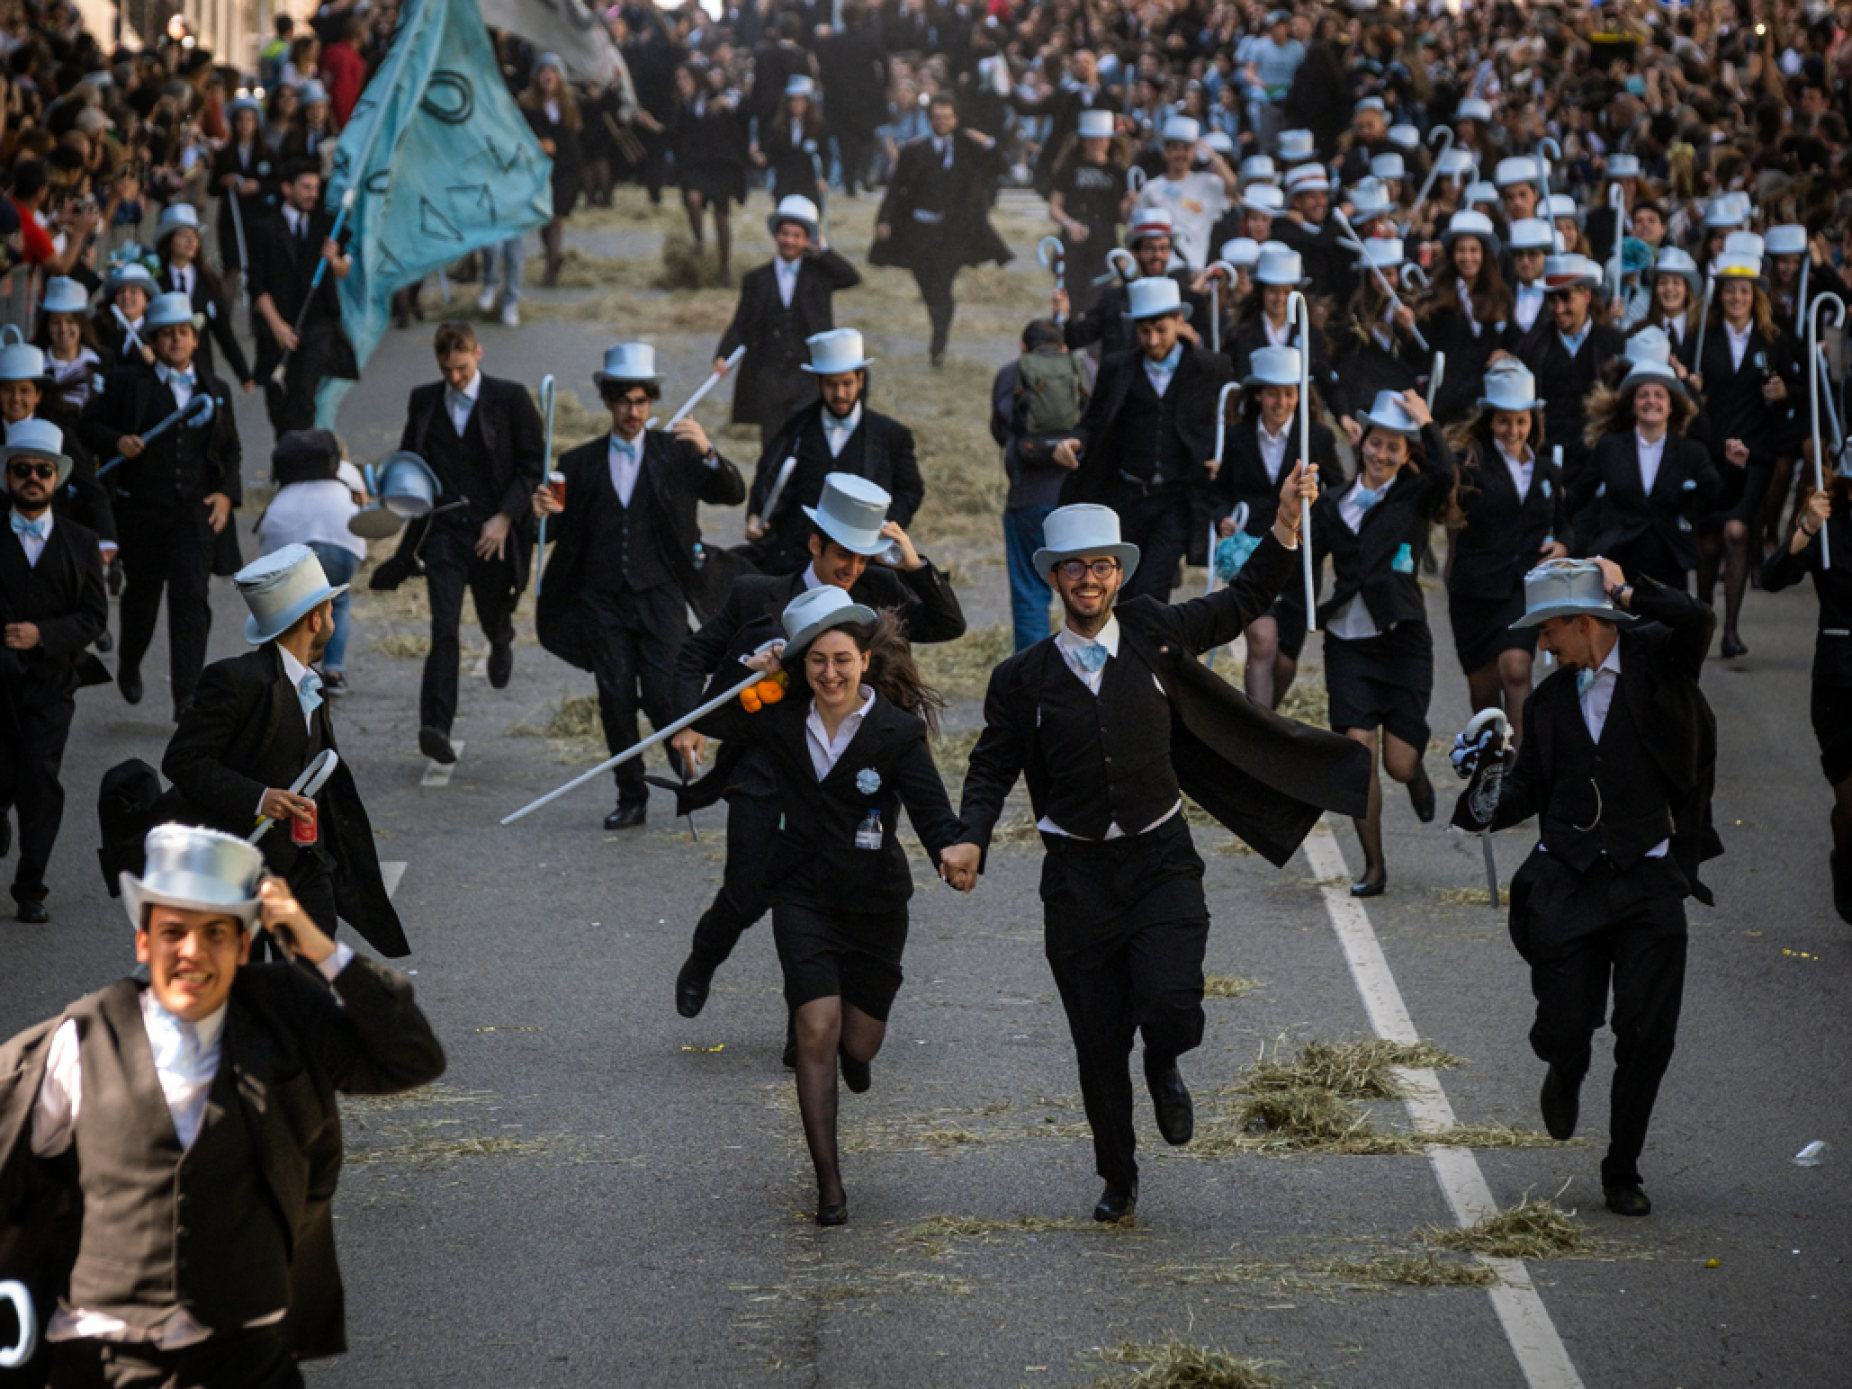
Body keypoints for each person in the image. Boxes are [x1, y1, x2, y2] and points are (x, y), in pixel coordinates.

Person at [942, 485, 1368, 1223]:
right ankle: (1118, 1177)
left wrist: (1286, 529)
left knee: (1172, 1005)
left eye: (1101, 566)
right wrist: (971, 835)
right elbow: (990, 765)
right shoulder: (1022, 678)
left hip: (1161, 860)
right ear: (1054, 578)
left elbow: (1241, 602)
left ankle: (1165, 1057)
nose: (1089, 579)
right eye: (1074, 568)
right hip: (1077, 881)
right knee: (1097, 1042)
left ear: (1118, 574)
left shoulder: (1153, 630)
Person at [0, 825, 443, 1384]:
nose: (192, 952)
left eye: (215, 933)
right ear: (143, 942)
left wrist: (319, 948)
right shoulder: (81, 1040)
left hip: (245, 1354)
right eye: (172, 932)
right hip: (109, 1358)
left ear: (242, 945)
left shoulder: (284, 1009)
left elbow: (411, 1057)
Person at [1451, 558, 1719, 1218]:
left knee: (1646, 1031)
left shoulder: (1660, 662)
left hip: (1648, 874)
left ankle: (1621, 1167)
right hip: (1569, 881)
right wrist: (1483, 785)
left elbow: (1697, 617)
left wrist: (1628, 589)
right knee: (1566, 1023)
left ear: (1583, 621)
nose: (1540, 644)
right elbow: (1525, 791)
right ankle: (1566, 1063)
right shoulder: (1545, 704)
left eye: (1547, 630)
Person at [696, 587, 969, 1226]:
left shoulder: (896, 733)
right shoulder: (779, 714)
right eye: (815, 661)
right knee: (813, 1028)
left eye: (842, 659)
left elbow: (934, 813)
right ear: (802, 665)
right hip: (803, 895)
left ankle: (856, 1057)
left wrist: (954, 853)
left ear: (865, 661)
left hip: (875, 905)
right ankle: (829, 1185)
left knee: (861, 1043)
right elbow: (707, 720)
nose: (830, 673)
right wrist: (751, 676)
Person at [668, 473, 966, 1034]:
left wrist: (914, 568)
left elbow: (948, 624)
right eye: (842, 556)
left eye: (862, 557)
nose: (852, 568)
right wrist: (685, 726)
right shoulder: (756, 594)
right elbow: (693, 656)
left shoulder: (880, 593)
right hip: (766, 768)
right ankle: (706, 955)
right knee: (749, 891)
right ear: (814, 544)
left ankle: (806, 1029)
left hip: (854, 773)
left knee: (822, 895)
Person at [532, 341, 745, 830]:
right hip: (601, 600)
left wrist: (710, 451)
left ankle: (684, 768)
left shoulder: (676, 453)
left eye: (642, 401)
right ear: (608, 401)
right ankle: (631, 795)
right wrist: (538, 510)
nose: (633, 411)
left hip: (661, 595)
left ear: (651, 402)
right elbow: (550, 530)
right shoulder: (580, 462)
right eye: (624, 401)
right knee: (615, 698)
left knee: (667, 693)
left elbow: (733, 493)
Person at [162, 545, 410, 957]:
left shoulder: (310, 683)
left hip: (306, 869)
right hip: (242, 868)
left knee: (311, 980)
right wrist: (260, 798)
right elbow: (182, 760)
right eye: (330, 609)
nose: (332, 616)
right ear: (316, 619)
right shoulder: (235, 680)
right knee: (257, 995)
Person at [1312, 389, 1457, 897]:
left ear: (1405, 453)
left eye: (1395, 448)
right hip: (1347, 642)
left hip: (1401, 642)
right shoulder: (1333, 501)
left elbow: (1445, 475)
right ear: (1362, 443)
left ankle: (1415, 776)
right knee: (1358, 756)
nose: (1382, 455)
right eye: (1377, 444)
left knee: (1396, 762)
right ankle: (1374, 866)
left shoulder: (1414, 496)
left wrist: (1428, 422)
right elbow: (1307, 558)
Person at [382, 321, 545, 765]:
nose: (454, 377)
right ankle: (435, 726)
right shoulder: (423, 400)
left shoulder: (510, 400)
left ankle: (501, 637)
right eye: (446, 369)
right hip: (445, 535)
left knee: (492, 610)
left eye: (461, 367)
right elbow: (411, 462)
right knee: (444, 628)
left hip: (494, 531)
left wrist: (505, 518)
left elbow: (534, 466)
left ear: (478, 354)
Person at [80, 292, 243, 720]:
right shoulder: (128, 383)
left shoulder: (216, 389)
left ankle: (186, 695)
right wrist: (116, 440)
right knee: (143, 598)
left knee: (192, 597)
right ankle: (130, 660)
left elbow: (230, 452)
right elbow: (88, 425)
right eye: (168, 334)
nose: (176, 340)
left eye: (183, 333)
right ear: (154, 340)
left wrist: (226, 493)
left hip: (195, 512)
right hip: (142, 512)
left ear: (194, 340)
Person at [1051, 277, 1235, 604]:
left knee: (1153, 586)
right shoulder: (1118, 368)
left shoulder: (1209, 367)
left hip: (1177, 497)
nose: (1152, 340)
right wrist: (1075, 441)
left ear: (1179, 322)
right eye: (1143, 331)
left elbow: (1228, 422)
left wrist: (1222, 455)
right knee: (1122, 588)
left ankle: (1151, 650)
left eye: (1160, 330)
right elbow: (1093, 421)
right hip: (1126, 496)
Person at [0, 419, 107, 924]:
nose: (32, 478)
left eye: (42, 470)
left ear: (57, 477)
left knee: (40, 781)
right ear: (8, 475)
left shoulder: (82, 543)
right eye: (22, 469)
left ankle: (30, 887)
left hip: (51, 685)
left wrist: (42, 635)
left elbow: (94, 617)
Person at [1213, 345, 1340, 709]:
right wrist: (1222, 518)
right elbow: (1218, 490)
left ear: (1299, 395)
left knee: (1284, 660)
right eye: (1273, 393)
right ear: (1258, 395)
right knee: (1262, 642)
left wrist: (1316, 515)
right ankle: (1260, 738)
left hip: (1301, 561)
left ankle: (1264, 725)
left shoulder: (1317, 437)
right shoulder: (1237, 438)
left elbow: (1338, 492)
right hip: (1250, 555)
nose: (1281, 402)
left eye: (1288, 393)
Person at [1445, 360, 1566, 742]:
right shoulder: (1469, 463)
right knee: (1484, 691)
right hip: (1475, 590)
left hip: (1523, 587)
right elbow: (1442, 499)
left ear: (1532, 420)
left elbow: (1564, 523)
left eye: (1521, 421)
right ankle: (1491, 759)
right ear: (1490, 420)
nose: (1513, 430)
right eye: (1504, 421)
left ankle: (1521, 765)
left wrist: (1564, 544)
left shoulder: (1548, 471)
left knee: (1516, 667)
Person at [1690, 254, 1800, 658]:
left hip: (1755, 452)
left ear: (1755, 296)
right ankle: (1701, 622)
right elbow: (1683, 390)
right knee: (1707, 544)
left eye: (1743, 291)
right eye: (1729, 290)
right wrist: (1691, 387)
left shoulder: (1774, 340)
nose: (1736, 297)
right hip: (1711, 450)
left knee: (1736, 533)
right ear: (1719, 296)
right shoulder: (1703, 336)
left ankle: (1731, 630)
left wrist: (1783, 391)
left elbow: (1799, 385)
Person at [744, 329, 924, 575]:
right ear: (818, 383)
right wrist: (757, 514)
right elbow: (770, 475)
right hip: (799, 560)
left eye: (847, 383)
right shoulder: (797, 426)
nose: (839, 393)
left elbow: (911, 489)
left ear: (861, 380)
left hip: (862, 565)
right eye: (831, 385)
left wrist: (880, 527)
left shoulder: (891, 435)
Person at [1762, 476, 1852, 920]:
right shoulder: (1828, 527)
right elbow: (1773, 578)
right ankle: (1846, 858)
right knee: (1850, 797)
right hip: (1838, 680)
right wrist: (1807, 528)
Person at [870, 92, 1012, 367]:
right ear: (930, 119)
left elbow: (999, 166)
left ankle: (939, 340)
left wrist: (988, 142)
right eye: (937, 117)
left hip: (952, 233)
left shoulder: (968, 148)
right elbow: (896, 189)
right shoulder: (914, 150)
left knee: (943, 286)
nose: (942, 122)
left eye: (947, 117)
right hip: (919, 230)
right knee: (926, 285)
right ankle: (937, 318)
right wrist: (883, 220)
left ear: (955, 119)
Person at [714, 195, 861, 450]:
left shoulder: (819, 274)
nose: (789, 241)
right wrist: (722, 356)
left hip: (808, 375)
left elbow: (851, 277)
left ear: (807, 240)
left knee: (807, 441)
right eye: (784, 234)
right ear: (775, 236)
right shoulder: (756, 280)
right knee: (772, 442)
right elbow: (741, 324)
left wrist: (824, 251)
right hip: (769, 376)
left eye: (797, 235)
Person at [1571, 359, 1724, 595]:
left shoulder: (1691, 452)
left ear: (1671, 406)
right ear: (1633, 405)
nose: (1651, 401)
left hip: (1669, 560)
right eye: (1643, 395)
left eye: (1659, 395)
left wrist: (1736, 469)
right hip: (1619, 560)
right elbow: (1578, 497)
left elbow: (1719, 498)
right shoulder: (1609, 448)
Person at [992, 319, 1092, 650]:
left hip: (1028, 500)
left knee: (1030, 598)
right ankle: (1083, 678)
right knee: (1085, 597)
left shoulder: (1011, 372)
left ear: (1023, 348)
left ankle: (1034, 685)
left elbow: (1001, 431)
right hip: (1078, 504)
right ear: (1064, 348)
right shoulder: (1084, 367)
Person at [247, 159, 357, 435]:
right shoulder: (264, 229)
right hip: (277, 326)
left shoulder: (326, 225)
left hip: (316, 324)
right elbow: (257, 286)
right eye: (306, 187)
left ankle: (301, 457)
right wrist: (278, 327)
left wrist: (334, 261)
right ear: (287, 188)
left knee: (304, 396)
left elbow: (346, 268)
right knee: (277, 398)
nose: (312, 194)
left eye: (316, 188)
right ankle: (287, 451)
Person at [256, 430, 366, 696]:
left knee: (291, 608)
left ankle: (290, 673)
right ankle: (333, 672)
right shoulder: (347, 471)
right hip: (341, 539)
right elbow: (363, 504)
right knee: (337, 601)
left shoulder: (288, 484)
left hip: (285, 538)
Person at [1515, 254, 1626, 491]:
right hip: (1545, 459)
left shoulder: (1614, 345)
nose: (1558, 309)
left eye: (1566, 298)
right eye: (1552, 300)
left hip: (1597, 462)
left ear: (1586, 295)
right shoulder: (1532, 346)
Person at [1057, 208, 1210, 359]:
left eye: (1163, 248)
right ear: (1135, 252)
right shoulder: (1112, 301)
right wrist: (1063, 315)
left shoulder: (1190, 300)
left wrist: (1195, 340)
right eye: (1150, 248)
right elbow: (1076, 339)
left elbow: (1210, 352)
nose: (1157, 255)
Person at [1417, 211, 1512, 427]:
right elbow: (1422, 350)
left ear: (1484, 254)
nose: (1467, 257)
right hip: (1447, 402)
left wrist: (1508, 355)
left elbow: (1512, 341)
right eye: (1461, 250)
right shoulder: (1437, 295)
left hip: (1487, 401)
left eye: (1473, 250)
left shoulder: (1501, 296)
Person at [153, 202, 253, 394]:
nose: (191, 242)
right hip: (164, 369)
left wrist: (243, 374)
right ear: (169, 240)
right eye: (183, 235)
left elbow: (223, 331)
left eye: (194, 236)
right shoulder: (156, 280)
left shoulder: (208, 282)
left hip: (200, 370)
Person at [669, 62, 751, 284]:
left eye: (686, 78)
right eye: (679, 79)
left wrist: (728, 101)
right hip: (696, 166)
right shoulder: (683, 107)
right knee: (693, 198)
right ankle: (699, 244)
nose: (681, 83)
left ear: (697, 79)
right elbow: (675, 136)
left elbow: (743, 106)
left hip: (720, 165)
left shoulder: (716, 98)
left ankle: (724, 268)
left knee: (721, 215)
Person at [1044, 108, 1128, 314]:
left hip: (1104, 243)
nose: (1096, 144)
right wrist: (1069, 224)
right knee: (1069, 300)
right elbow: (1054, 207)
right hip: (1074, 241)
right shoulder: (1069, 168)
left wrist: (1131, 202)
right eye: (1091, 139)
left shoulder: (1118, 173)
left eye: (1101, 139)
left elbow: (1123, 217)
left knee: (1098, 301)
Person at [1130, 116, 1236, 271]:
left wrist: (1212, 155)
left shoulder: (1208, 184)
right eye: (1175, 148)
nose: (1180, 154)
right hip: (1161, 270)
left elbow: (1236, 190)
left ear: (1193, 153)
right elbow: (1135, 230)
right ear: (1165, 153)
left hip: (1194, 271)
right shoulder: (1151, 188)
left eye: (1186, 148)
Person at [521, 53, 583, 288]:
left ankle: (551, 267)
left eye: (553, 71)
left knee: (557, 216)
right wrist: (539, 140)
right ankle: (553, 254)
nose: (548, 75)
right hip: (542, 167)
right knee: (545, 217)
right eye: (543, 71)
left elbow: (577, 129)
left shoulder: (569, 102)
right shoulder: (528, 104)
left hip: (567, 165)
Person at [209, 94, 275, 304]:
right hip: (232, 219)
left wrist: (257, 186)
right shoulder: (225, 153)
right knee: (232, 267)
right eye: (240, 120)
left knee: (259, 268)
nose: (245, 125)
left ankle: (258, 318)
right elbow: (211, 188)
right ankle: (225, 321)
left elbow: (278, 184)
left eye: (249, 120)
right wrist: (223, 182)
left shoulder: (267, 152)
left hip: (258, 218)